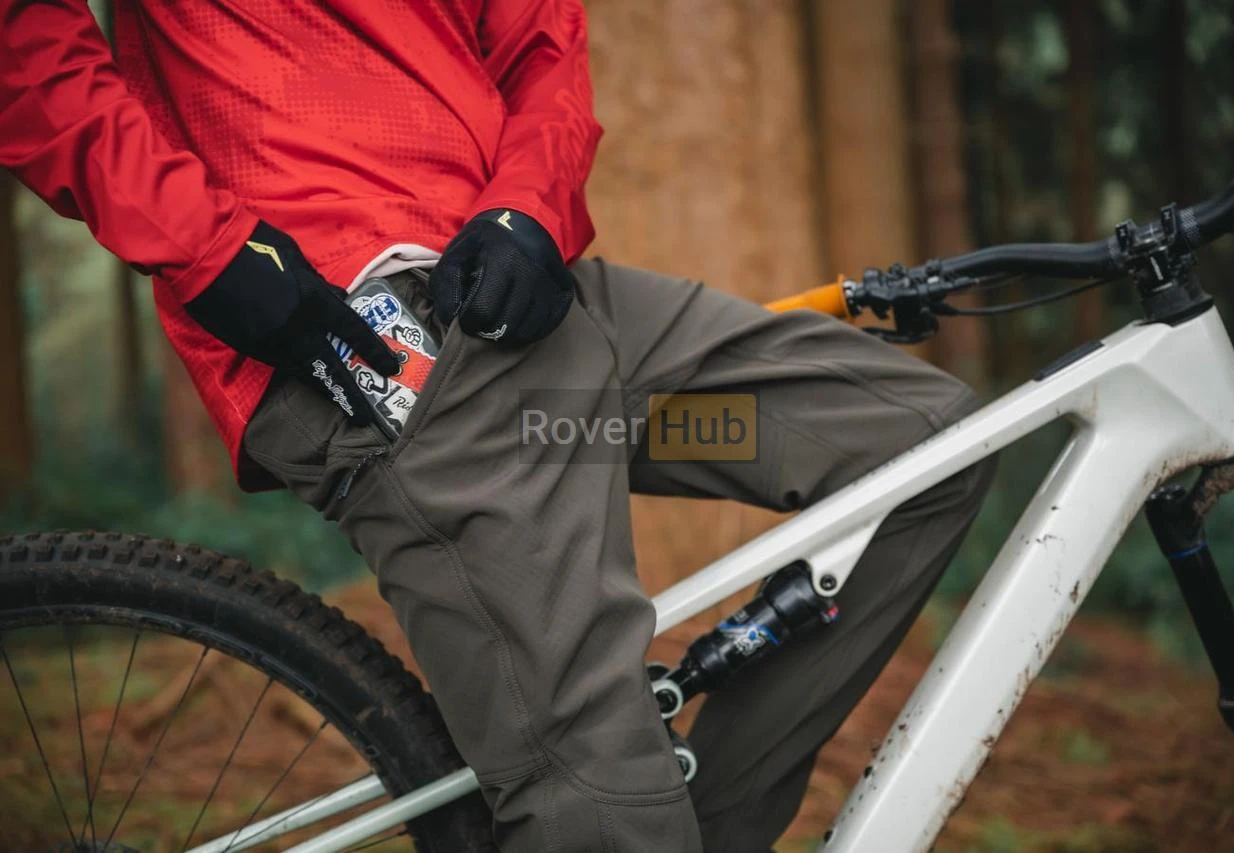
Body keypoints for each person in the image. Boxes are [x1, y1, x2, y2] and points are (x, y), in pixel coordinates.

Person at [0, 2, 995, 850]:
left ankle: (693, 826)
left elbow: (539, 40)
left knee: (920, 447)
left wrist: (529, 206)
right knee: (599, 797)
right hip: (372, 337)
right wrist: (205, 246)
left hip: (548, 344)